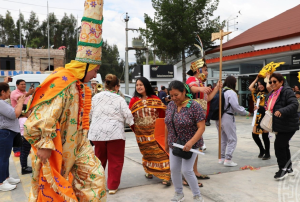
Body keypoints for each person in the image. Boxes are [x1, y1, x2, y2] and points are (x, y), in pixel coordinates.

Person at [23, 1, 107, 201]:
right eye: (95, 69)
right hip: (55, 148)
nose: (97, 74)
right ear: (85, 66)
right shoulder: (63, 81)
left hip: (78, 145)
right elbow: (43, 115)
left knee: (96, 178)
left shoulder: (80, 86)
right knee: (53, 190)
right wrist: (44, 143)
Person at [89, 74, 134, 194]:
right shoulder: (119, 98)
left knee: (99, 159)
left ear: (105, 85)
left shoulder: (95, 97)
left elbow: (89, 114)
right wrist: (132, 124)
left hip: (97, 133)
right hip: (115, 133)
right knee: (115, 160)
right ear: (117, 87)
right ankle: (112, 187)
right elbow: (128, 115)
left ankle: (97, 184)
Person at [165, 80, 205, 202]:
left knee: (187, 170)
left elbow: (201, 127)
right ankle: (179, 193)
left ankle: (197, 196)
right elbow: (166, 124)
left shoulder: (194, 106)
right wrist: (166, 142)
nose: (174, 98)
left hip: (190, 145)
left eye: (176, 95)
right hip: (174, 143)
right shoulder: (171, 105)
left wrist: (191, 142)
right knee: (174, 169)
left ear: (184, 92)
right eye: (171, 96)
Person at [186, 52, 222, 181]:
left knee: (196, 146)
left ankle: (194, 171)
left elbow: (208, 99)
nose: (207, 73)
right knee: (192, 144)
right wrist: (202, 89)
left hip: (199, 119)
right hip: (191, 118)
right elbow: (192, 89)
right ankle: (189, 172)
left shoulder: (201, 84)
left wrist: (217, 88)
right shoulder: (193, 80)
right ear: (198, 70)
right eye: (205, 70)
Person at [129, 77, 171, 186]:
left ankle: (166, 175)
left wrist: (162, 129)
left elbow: (162, 114)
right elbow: (130, 117)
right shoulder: (134, 100)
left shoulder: (155, 98)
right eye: (137, 85)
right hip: (141, 134)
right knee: (147, 154)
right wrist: (135, 129)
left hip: (155, 133)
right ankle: (149, 171)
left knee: (161, 153)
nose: (138, 87)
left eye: (141, 85)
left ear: (146, 86)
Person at [265, 73, 299, 180]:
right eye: (271, 82)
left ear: (281, 82)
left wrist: (281, 111)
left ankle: (282, 169)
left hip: (288, 124)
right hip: (280, 124)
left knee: (279, 146)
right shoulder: (273, 93)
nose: (272, 84)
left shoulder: (286, 91)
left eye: (275, 81)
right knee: (284, 146)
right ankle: (289, 168)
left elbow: (294, 104)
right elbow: (271, 107)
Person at [216, 76, 250, 167]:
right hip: (227, 116)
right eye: (235, 82)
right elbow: (235, 106)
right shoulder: (231, 92)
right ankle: (228, 159)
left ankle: (221, 158)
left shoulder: (221, 91)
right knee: (232, 139)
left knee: (222, 139)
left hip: (218, 117)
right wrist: (245, 112)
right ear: (233, 83)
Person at [0, 81, 25, 191]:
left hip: (8, 133)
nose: (9, 94)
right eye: (8, 91)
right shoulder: (0, 103)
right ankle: (1, 182)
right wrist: (20, 102)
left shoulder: (3, 102)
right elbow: (14, 114)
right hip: (5, 133)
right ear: (2, 92)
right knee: (3, 158)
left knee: (5, 157)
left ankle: (6, 177)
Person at [249, 76, 271, 160]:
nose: (260, 86)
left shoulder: (268, 93)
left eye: (261, 84)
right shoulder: (257, 93)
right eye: (258, 84)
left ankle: (267, 153)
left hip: (265, 114)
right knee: (254, 134)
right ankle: (262, 150)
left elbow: (268, 86)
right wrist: (256, 79)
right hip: (257, 115)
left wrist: (268, 78)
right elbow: (250, 87)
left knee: (265, 135)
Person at [10, 79, 34, 157]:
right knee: (17, 132)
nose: (24, 85)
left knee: (25, 132)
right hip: (17, 115)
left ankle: (24, 148)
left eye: (24, 84)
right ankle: (17, 150)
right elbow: (19, 98)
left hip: (26, 115)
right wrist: (29, 93)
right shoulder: (14, 93)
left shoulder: (26, 93)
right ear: (17, 85)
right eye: (21, 84)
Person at [19, 104, 33, 175]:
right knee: (25, 153)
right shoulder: (25, 120)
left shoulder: (20, 119)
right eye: (29, 111)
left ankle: (24, 167)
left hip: (21, 138)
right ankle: (24, 168)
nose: (29, 112)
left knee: (23, 153)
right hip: (25, 138)